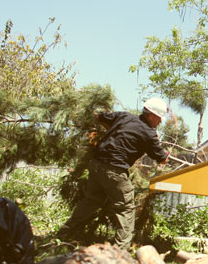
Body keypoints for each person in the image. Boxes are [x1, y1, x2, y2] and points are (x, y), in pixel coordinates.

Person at [57, 97, 170, 250]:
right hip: (115, 170)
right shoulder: (149, 133)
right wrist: (165, 154)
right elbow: (162, 160)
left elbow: (100, 116)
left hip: (96, 165)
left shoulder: (125, 116)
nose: (160, 122)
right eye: (159, 118)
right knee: (126, 208)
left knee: (91, 201)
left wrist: (111, 129)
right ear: (151, 115)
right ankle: (121, 251)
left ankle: (63, 236)